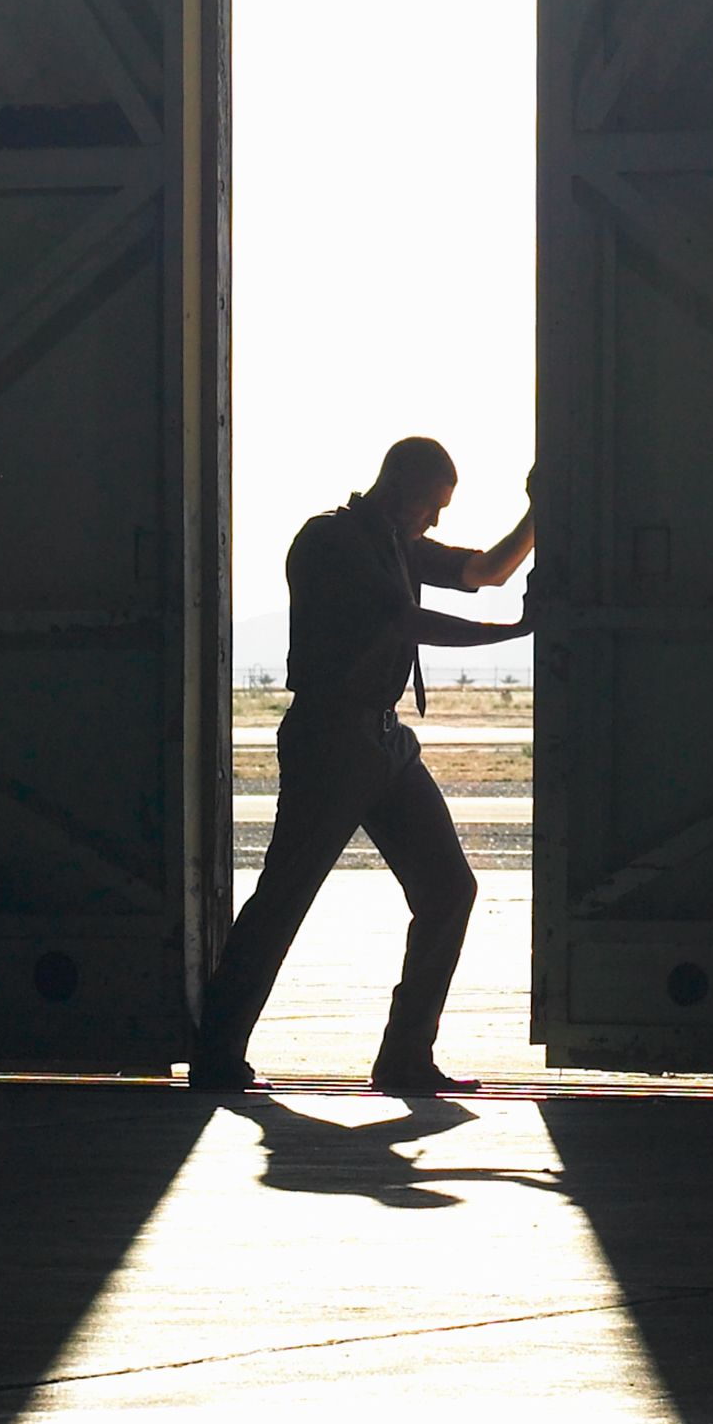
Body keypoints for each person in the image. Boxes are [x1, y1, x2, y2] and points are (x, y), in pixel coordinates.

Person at [192, 438, 534, 1105]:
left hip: (382, 737)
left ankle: (405, 1056)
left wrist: (538, 512)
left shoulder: (398, 543)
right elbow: (405, 620)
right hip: (331, 735)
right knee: (285, 896)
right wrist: (513, 631)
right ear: (400, 484)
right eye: (432, 505)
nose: (435, 520)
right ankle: (216, 1053)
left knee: (448, 889)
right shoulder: (331, 541)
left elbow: (485, 571)